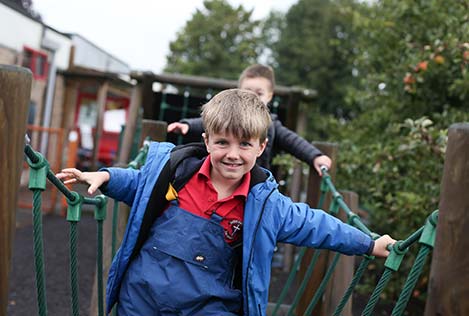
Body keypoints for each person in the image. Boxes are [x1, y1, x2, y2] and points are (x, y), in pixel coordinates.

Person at [57, 89, 395, 316]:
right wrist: (104, 177)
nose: (232, 155)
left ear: (262, 147)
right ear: (205, 140)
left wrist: (368, 243)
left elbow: (316, 225)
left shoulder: (265, 204)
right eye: (221, 142)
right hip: (142, 296)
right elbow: (139, 183)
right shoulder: (176, 172)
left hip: (207, 305)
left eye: (245, 145)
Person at [167, 64, 332, 175]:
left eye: (259, 93)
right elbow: (210, 123)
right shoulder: (231, 115)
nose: (253, 97)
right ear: (238, 91)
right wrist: (187, 125)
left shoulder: (271, 124)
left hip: (255, 181)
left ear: (269, 96)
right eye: (247, 91)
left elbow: (293, 141)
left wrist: (315, 156)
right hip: (226, 173)